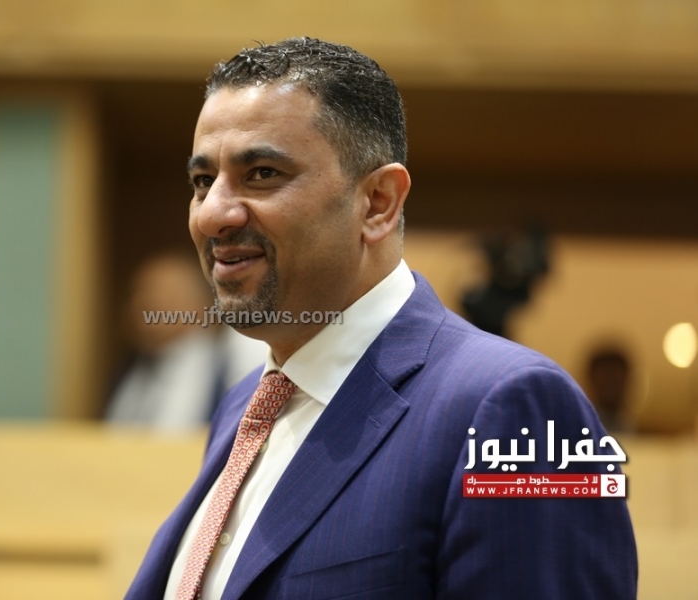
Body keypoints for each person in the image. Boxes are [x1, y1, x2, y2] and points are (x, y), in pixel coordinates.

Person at [126, 38, 637, 599]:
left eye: (263, 173)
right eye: (203, 182)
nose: (213, 215)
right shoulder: (244, 404)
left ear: (377, 202)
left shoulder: (519, 408)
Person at [104, 252, 266, 431]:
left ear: (202, 303)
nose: (146, 303)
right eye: (140, 293)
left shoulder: (228, 368)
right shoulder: (128, 368)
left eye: (164, 294)